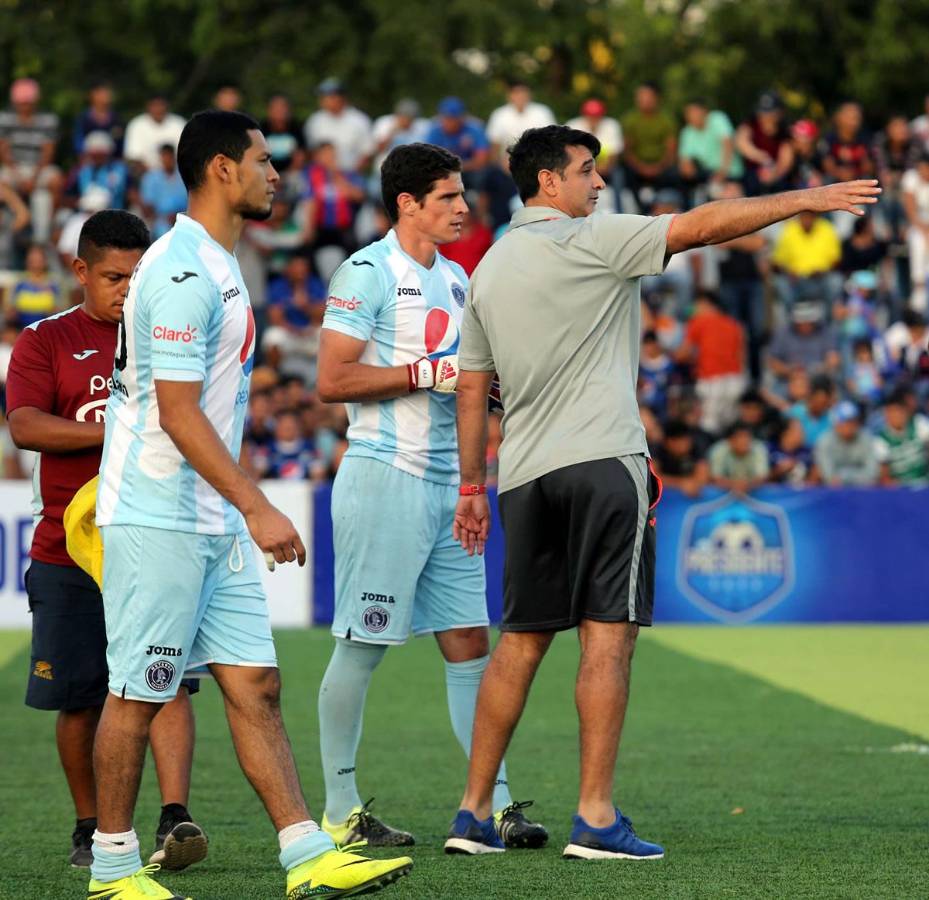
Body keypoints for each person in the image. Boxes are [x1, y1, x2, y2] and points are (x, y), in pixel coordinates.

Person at [448, 122, 878, 860]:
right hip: (601, 458)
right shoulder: (593, 237)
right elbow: (702, 225)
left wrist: (470, 487)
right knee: (607, 638)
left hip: (521, 476)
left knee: (518, 643)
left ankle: (472, 814)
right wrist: (803, 198)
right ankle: (594, 817)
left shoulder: (487, 267)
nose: (598, 182)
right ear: (548, 181)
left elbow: (470, 388)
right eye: (586, 170)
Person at [90, 110, 411, 900]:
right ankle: (112, 868)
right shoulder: (180, 271)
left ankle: (306, 853)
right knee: (140, 690)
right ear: (222, 169)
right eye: (264, 160)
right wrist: (258, 505)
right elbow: (177, 412)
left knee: (256, 683)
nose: (277, 174)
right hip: (159, 513)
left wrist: (238, 508)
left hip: (210, 516)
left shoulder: (221, 263)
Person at [315, 142, 546, 852]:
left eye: (462, 195)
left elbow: (467, 385)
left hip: (451, 487)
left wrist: (477, 473)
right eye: (448, 196)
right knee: (363, 644)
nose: (463, 208)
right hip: (384, 476)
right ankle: (340, 811)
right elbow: (332, 380)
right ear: (407, 203)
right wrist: (425, 373)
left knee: (469, 643)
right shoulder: (365, 272)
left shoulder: (457, 277)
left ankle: (493, 807)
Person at [5, 211, 207, 872]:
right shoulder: (46, 339)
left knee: (167, 681)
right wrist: (120, 430)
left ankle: (176, 817)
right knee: (80, 697)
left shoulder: (170, 332)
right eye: (114, 277)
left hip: (157, 533)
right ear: (81, 272)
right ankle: (88, 826)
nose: (127, 290)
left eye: (137, 276)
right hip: (70, 547)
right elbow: (26, 426)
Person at [0, 77, 61, 242]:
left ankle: (51, 224)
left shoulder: (47, 120)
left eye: (27, 103)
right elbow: (3, 152)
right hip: (14, 168)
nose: (24, 107)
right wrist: (18, 176)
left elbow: (48, 153)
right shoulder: (5, 119)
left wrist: (33, 178)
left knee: (56, 179)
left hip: (39, 168)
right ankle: (21, 211)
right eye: (21, 103)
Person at [677, 290, 746, 434]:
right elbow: (741, 355)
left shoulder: (699, 321)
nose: (695, 308)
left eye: (697, 304)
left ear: (706, 303)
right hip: (735, 380)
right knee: (730, 426)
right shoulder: (733, 324)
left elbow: (683, 354)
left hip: (711, 380)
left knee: (708, 426)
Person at [621, 82, 678, 211]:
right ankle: (637, 211)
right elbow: (627, 150)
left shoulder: (666, 119)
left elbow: (671, 149)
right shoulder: (630, 119)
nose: (644, 100)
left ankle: (667, 209)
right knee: (625, 174)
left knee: (674, 175)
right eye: (640, 96)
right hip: (636, 167)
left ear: (657, 98)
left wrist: (658, 167)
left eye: (647, 96)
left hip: (662, 166)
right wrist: (642, 168)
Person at [303, 78, 373, 174]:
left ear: (341, 98)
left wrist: (352, 174)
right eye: (322, 97)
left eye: (328, 96)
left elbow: (367, 152)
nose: (324, 100)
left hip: (351, 174)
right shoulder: (314, 121)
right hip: (321, 176)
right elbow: (310, 151)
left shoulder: (359, 120)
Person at [735, 90, 794, 195]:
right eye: (763, 112)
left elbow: (785, 161)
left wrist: (774, 173)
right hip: (751, 176)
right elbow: (741, 142)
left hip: (777, 178)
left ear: (779, 113)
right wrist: (760, 156)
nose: (765, 116)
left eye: (770, 112)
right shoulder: (751, 124)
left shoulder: (784, 131)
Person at [425, 97, 490, 189]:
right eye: (445, 118)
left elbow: (481, 160)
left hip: (469, 171)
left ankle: (475, 196)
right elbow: (429, 159)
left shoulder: (475, 128)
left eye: (452, 118)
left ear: (461, 118)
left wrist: (455, 166)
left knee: (485, 174)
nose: (448, 122)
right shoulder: (434, 130)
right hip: (444, 172)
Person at [485, 81, 555, 162]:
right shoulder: (499, 114)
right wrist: (498, 163)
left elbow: (551, 140)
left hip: (538, 159)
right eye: (516, 93)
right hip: (507, 161)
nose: (520, 96)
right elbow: (495, 143)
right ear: (509, 95)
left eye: (523, 93)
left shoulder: (542, 112)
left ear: (530, 95)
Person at [814, 401, 878, 486]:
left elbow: (872, 473)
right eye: (845, 422)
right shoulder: (825, 441)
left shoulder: (866, 439)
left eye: (853, 421)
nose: (850, 426)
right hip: (833, 491)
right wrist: (840, 479)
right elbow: (828, 476)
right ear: (836, 424)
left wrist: (845, 478)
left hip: (862, 489)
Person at [874, 389, 929, 485]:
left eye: (898, 412)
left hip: (924, 482)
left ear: (905, 412)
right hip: (900, 488)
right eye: (891, 413)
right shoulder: (881, 440)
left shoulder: (919, 423)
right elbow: (884, 477)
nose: (895, 416)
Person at [123, 96, 185, 172]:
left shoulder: (179, 123)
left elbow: (186, 154)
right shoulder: (136, 125)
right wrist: (154, 174)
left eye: (161, 105)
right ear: (148, 107)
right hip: (146, 173)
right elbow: (133, 157)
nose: (158, 109)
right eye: (155, 106)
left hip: (177, 172)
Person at [139, 144, 188, 239]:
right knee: (163, 231)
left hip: (183, 219)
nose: (167, 160)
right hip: (159, 221)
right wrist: (163, 217)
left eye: (169, 157)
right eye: (164, 156)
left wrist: (178, 216)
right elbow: (147, 207)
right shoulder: (151, 178)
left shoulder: (183, 176)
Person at [901, 152, 929, 310]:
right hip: (916, 224)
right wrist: (924, 231)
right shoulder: (911, 178)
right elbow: (911, 211)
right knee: (918, 240)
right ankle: (919, 287)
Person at [708, 421, 771, 491]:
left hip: (751, 488)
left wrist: (746, 485)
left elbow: (762, 476)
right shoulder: (719, 450)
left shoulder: (759, 448)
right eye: (740, 437)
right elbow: (715, 476)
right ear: (730, 440)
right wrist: (733, 485)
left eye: (747, 437)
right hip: (725, 489)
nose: (745, 441)